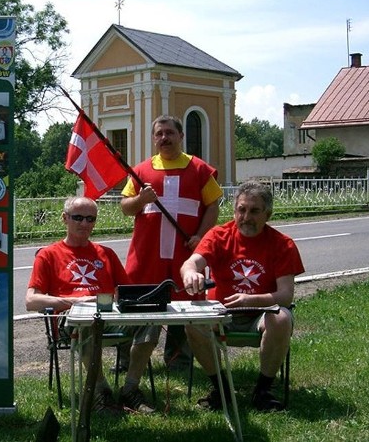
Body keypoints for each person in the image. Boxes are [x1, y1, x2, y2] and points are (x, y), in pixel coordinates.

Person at [25, 196, 158, 414]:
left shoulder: (106, 253)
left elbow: (127, 293)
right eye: (78, 218)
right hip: (71, 320)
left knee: (151, 321)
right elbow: (31, 301)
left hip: (110, 316)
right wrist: (74, 301)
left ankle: (130, 389)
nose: (85, 224)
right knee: (86, 322)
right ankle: (101, 391)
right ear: (64, 219)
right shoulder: (48, 255)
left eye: (90, 219)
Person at [180, 181, 305, 411]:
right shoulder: (218, 235)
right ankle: (222, 389)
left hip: (261, 315)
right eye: (241, 210)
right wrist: (189, 273)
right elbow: (191, 263)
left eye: (254, 211)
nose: (246, 217)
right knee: (193, 323)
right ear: (234, 210)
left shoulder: (283, 244)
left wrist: (251, 300)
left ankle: (263, 390)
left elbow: (286, 295)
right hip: (222, 314)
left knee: (282, 318)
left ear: (268, 214)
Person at [121, 114, 223, 370]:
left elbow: (212, 205)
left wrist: (200, 235)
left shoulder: (199, 169)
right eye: (159, 134)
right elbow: (126, 207)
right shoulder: (141, 171)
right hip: (147, 253)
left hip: (184, 252)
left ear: (181, 136)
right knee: (136, 303)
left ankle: (179, 359)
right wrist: (141, 200)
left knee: (185, 304)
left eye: (169, 133)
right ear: (154, 138)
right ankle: (130, 360)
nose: (164, 138)